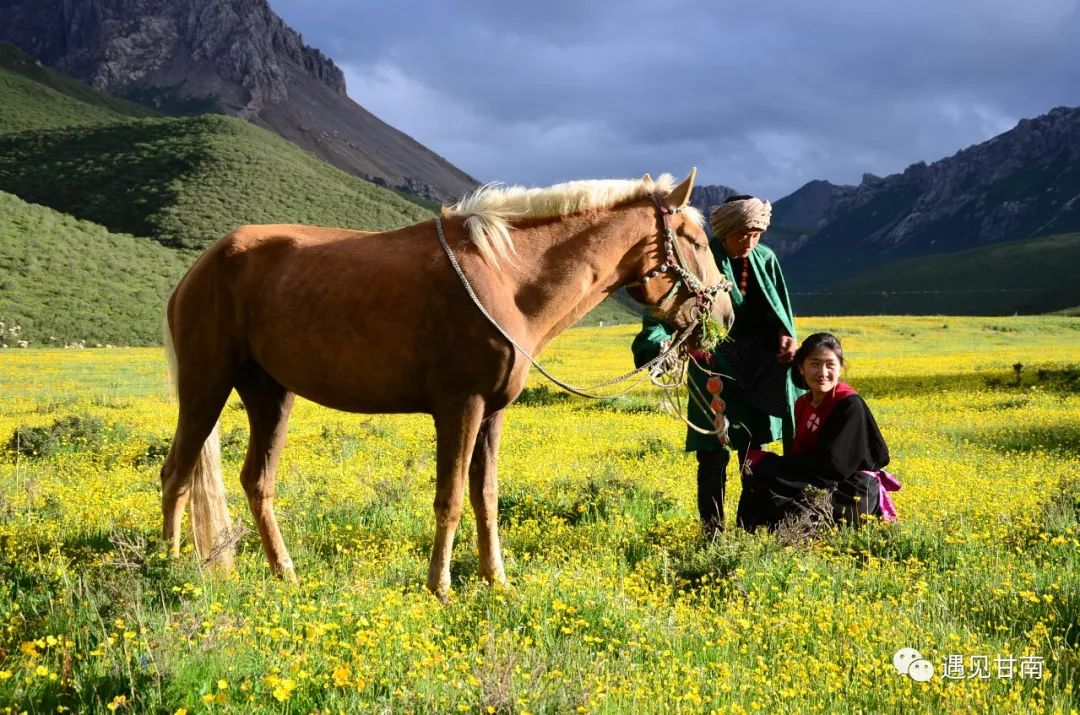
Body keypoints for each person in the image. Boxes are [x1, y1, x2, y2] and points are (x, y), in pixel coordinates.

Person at [631, 194, 800, 538]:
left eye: (756, 234)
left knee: (754, 455)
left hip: (760, 371)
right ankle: (713, 532)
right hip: (712, 370)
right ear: (724, 232)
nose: (749, 242)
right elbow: (662, 310)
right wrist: (659, 344)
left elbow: (781, 309)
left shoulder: (765, 259)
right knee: (712, 456)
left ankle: (752, 527)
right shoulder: (699, 259)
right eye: (742, 235)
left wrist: (787, 336)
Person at [736, 332, 899, 531]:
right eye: (814, 364)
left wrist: (775, 463)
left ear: (840, 368)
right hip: (818, 480)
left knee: (770, 473)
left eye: (830, 364)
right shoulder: (802, 404)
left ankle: (793, 532)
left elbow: (835, 466)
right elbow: (803, 455)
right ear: (801, 368)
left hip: (850, 491)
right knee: (759, 475)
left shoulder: (849, 404)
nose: (822, 372)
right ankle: (751, 537)